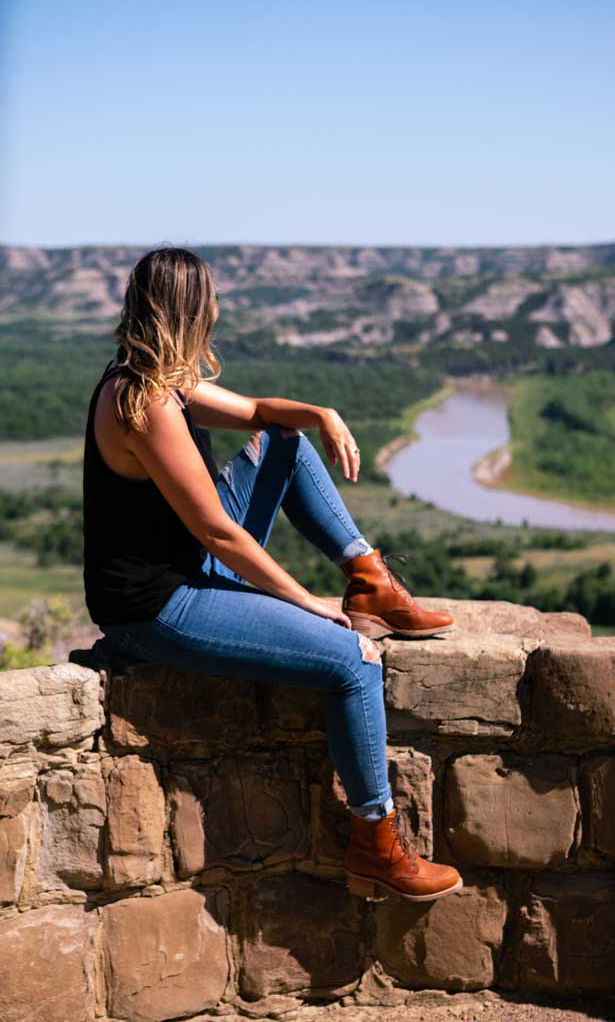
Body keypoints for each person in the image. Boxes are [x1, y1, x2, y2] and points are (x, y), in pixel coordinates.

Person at [82, 246, 462, 902]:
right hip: (155, 605)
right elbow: (218, 531)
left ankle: (370, 576)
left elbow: (258, 411)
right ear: (189, 309)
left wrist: (319, 413)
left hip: (185, 569)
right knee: (353, 657)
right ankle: (376, 843)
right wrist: (305, 600)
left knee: (285, 439)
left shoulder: (162, 378)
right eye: (212, 300)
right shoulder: (143, 399)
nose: (220, 309)